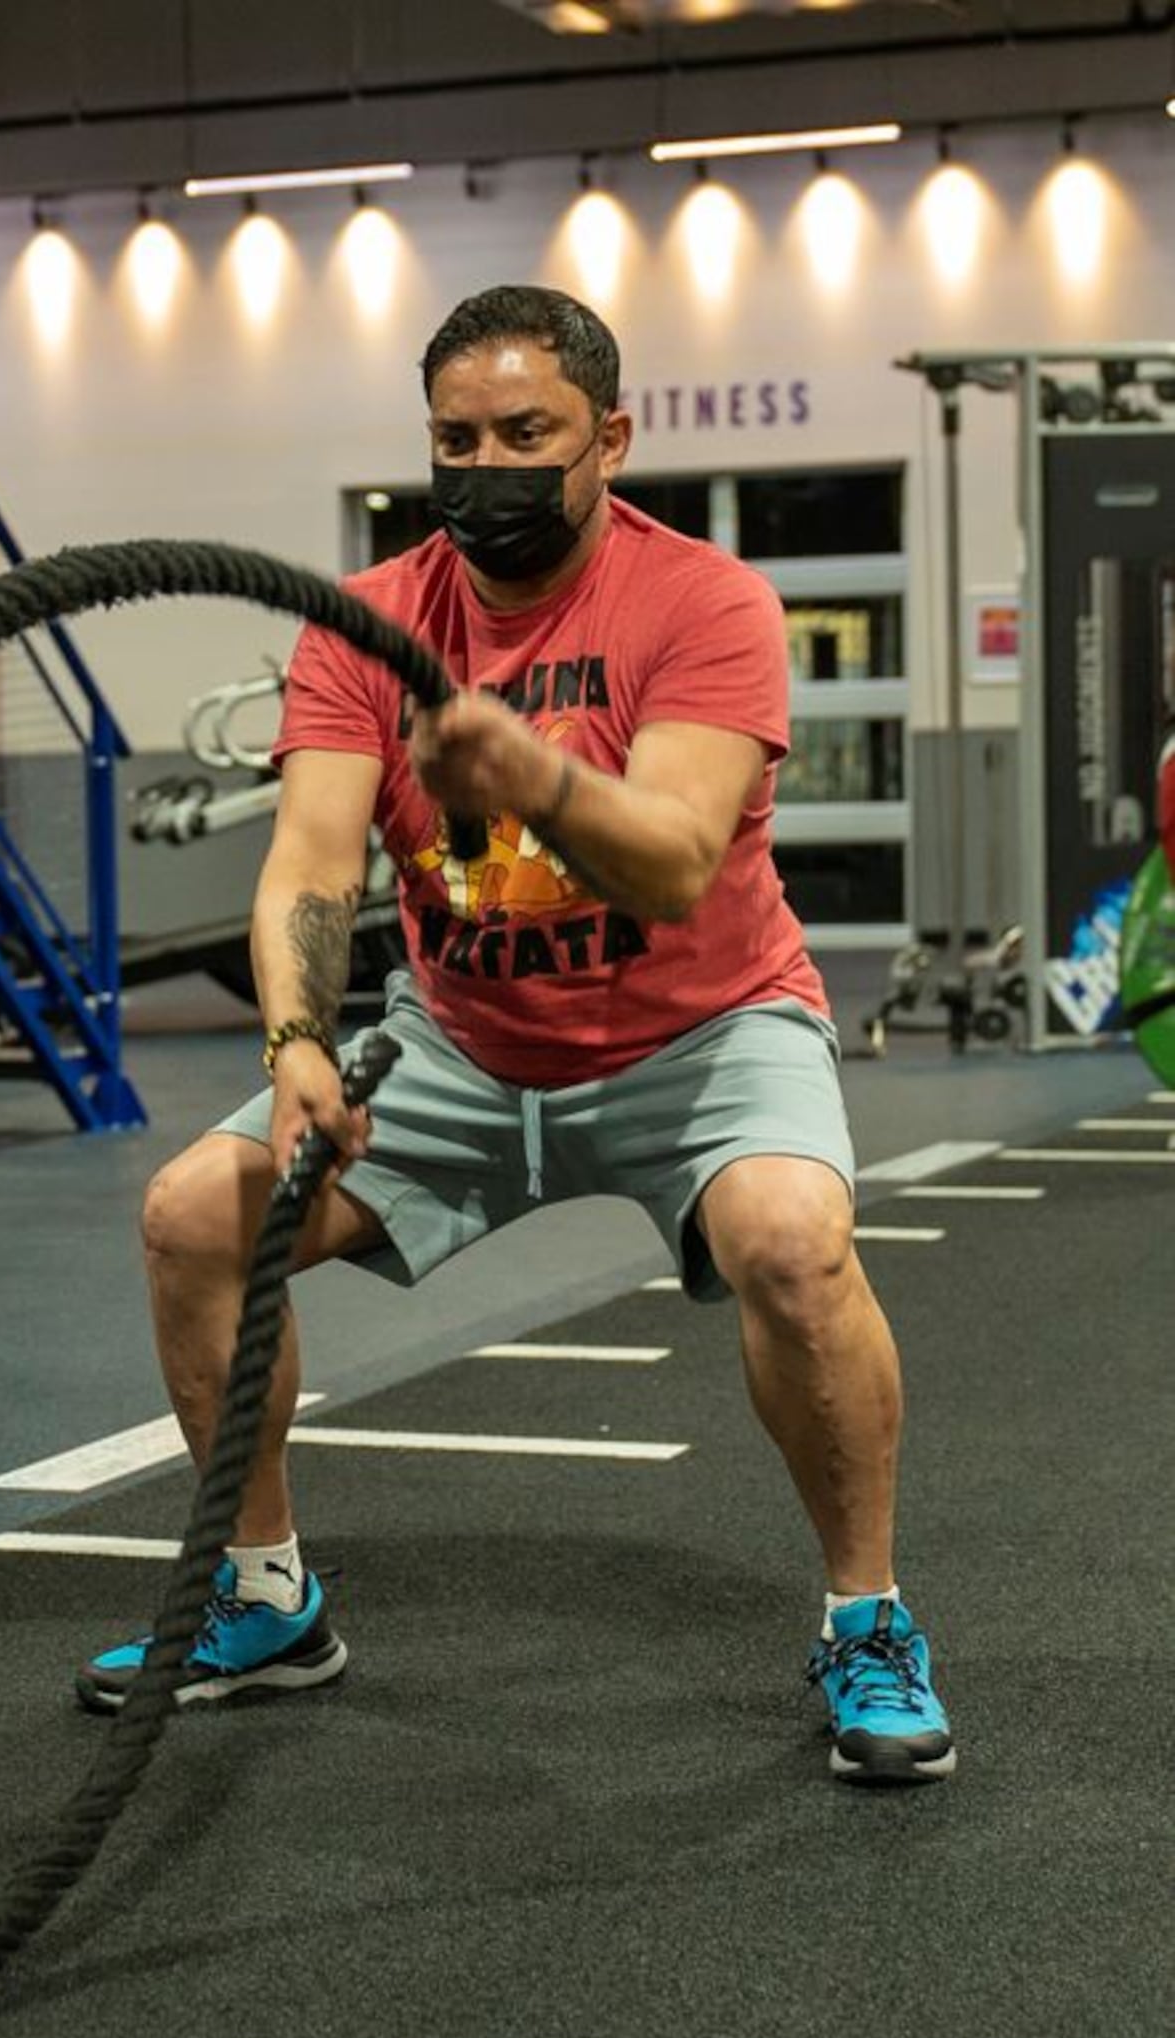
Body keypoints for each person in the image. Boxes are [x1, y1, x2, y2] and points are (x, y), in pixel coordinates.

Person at [78, 284, 954, 1785]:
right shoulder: (367, 624)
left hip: (705, 1030)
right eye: (454, 438)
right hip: (462, 1047)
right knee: (189, 1223)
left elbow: (676, 860)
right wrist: (296, 1039)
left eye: (524, 434)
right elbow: (309, 861)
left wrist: (535, 779)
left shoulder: (705, 602)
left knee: (798, 1247)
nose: (484, 465)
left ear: (609, 438)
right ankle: (270, 1598)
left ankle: (867, 1621)